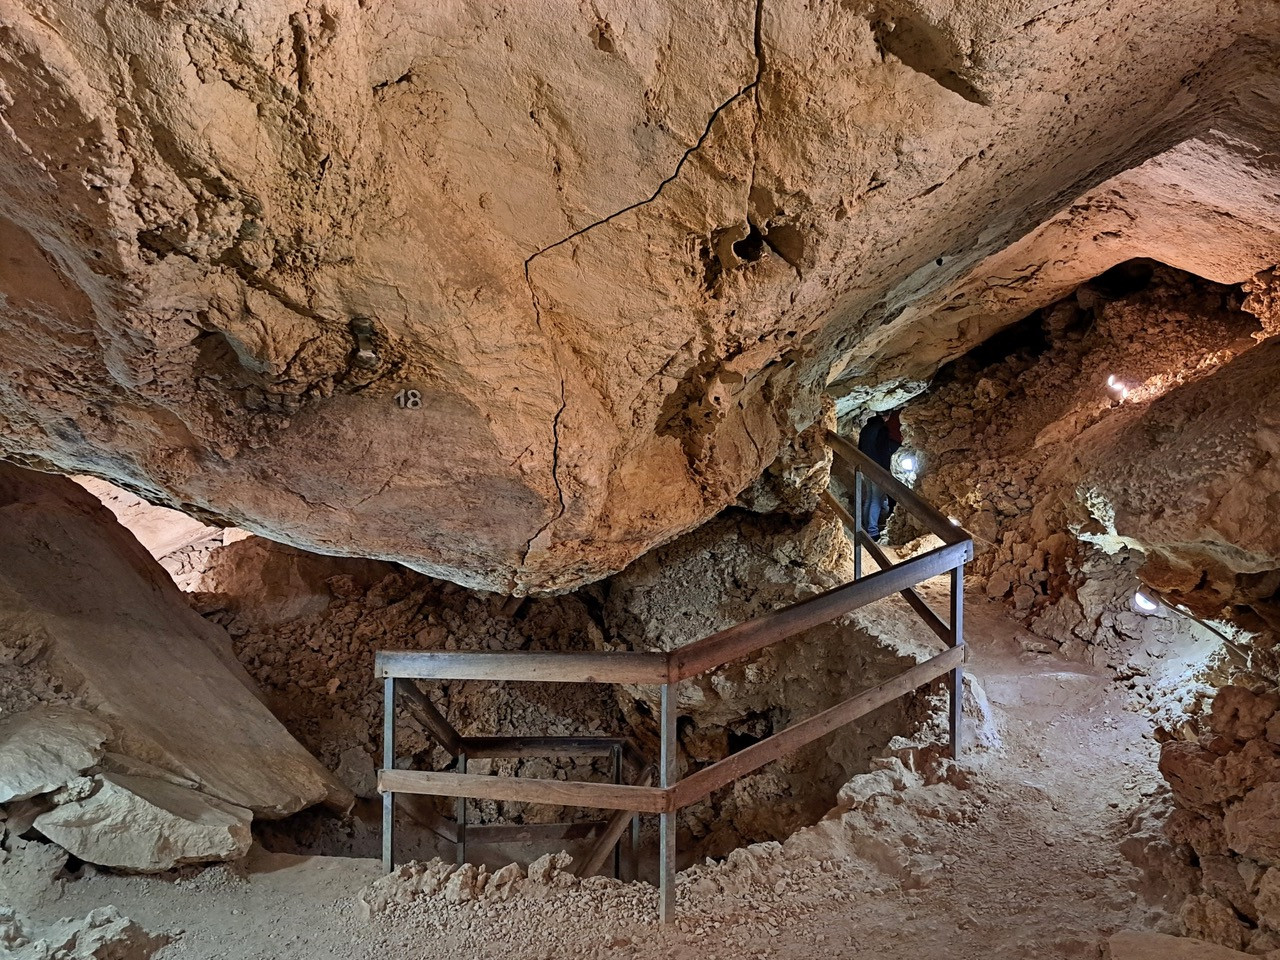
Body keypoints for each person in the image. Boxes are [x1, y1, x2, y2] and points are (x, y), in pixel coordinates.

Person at [857, 409, 902, 540]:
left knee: (870, 498)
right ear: (887, 416)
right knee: (877, 499)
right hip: (877, 468)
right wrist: (886, 469)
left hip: (865, 466)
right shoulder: (882, 429)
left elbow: (860, 447)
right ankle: (873, 531)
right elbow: (883, 451)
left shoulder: (866, 428)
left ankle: (865, 528)